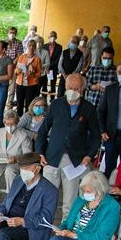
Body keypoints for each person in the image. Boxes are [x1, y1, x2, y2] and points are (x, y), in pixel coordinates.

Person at [36, 73, 101, 217]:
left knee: (69, 201)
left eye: (76, 88)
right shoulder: (56, 104)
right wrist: (40, 152)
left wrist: (89, 155)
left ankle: (66, 229)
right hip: (51, 157)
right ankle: (42, 227)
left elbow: (96, 136)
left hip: (73, 161)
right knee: (46, 197)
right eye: (70, 87)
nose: (73, 91)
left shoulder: (88, 108)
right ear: (65, 87)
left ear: (83, 90)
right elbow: (42, 131)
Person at [0, 109, 32, 207]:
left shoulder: (23, 136)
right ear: (4, 123)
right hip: (1, 160)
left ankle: (10, 197)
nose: (10, 127)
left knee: (9, 171)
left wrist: (15, 158)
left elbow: (28, 155)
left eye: (13, 124)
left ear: (17, 123)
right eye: (8, 124)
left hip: (17, 162)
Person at [14, 39, 43, 114]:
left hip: (31, 84)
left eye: (33, 46)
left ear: (35, 48)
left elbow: (39, 73)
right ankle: (19, 119)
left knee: (29, 104)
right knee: (19, 103)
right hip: (20, 83)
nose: (31, 47)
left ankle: (27, 119)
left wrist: (33, 74)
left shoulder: (37, 59)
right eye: (30, 45)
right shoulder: (21, 57)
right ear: (27, 46)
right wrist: (19, 70)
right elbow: (16, 71)